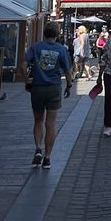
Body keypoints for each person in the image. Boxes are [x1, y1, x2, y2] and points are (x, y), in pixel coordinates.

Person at [21, 21, 73, 169]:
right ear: (57, 34)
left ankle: (38, 148)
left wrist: (27, 80)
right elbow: (68, 71)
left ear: (44, 33)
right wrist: (69, 86)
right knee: (50, 123)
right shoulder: (61, 49)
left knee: (38, 120)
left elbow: (23, 65)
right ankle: (48, 157)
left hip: (37, 87)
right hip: (53, 88)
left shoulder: (36, 47)